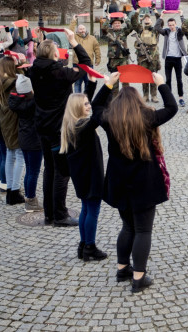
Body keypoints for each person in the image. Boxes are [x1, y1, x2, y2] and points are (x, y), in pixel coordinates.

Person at [101, 72, 178, 293]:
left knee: (128, 226)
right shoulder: (147, 117)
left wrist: (107, 85)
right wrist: (161, 84)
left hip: (119, 181)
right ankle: (138, 277)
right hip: (144, 182)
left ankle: (122, 269)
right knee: (143, 230)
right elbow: (172, 107)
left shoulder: (109, 119)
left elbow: (96, 107)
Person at [27, 28, 93, 227]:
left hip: (42, 126)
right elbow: (86, 64)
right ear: (54, 54)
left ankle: (49, 214)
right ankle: (60, 215)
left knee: (49, 169)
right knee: (62, 172)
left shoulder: (33, 70)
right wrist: (73, 42)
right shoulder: (61, 73)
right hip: (58, 129)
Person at [60, 75, 112, 262]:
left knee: (86, 208)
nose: (89, 106)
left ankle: (83, 244)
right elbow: (97, 111)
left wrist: (91, 83)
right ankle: (89, 246)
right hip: (90, 174)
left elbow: (88, 102)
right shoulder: (83, 127)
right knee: (93, 211)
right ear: (77, 108)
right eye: (85, 105)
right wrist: (108, 86)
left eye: (88, 103)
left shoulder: (72, 124)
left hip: (81, 174)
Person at [0, 57, 26, 206]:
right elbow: (24, 81)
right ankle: (14, 190)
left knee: (9, 153)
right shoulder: (12, 82)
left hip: (2, 118)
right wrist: (21, 66)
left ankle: (10, 189)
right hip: (12, 119)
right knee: (19, 155)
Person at [8, 74, 44, 212]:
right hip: (34, 140)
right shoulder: (33, 103)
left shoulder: (17, 102)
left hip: (23, 137)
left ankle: (29, 198)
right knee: (33, 171)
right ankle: (31, 201)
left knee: (29, 170)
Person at [156, 11, 188, 107]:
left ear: (176, 24)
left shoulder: (180, 32)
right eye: (169, 25)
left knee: (179, 79)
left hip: (177, 59)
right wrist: (161, 16)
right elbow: (157, 27)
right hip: (168, 58)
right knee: (168, 80)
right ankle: (169, 99)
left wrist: (181, 15)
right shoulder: (166, 32)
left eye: (173, 25)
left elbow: (185, 26)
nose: (171, 27)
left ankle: (181, 98)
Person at [131, 10, 162, 103]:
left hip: (153, 56)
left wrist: (156, 11)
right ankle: (145, 95)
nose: (147, 19)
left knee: (153, 75)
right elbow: (133, 21)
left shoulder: (155, 29)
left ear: (152, 21)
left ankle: (154, 95)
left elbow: (160, 21)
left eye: (149, 18)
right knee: (144, 75)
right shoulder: (140, 30)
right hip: (142, 56)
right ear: (142, 20)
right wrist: (137, 11)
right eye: (145, 18)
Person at [69, 16, 101, 93]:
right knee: (77, 83)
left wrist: (98, 59)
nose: (82, 30)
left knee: (88, 82)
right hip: (77, 64)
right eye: (80, 29)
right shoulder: (75, 37)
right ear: (77, 30)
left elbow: (97, 49)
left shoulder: (92, 38)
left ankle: (87, 98)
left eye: (83, 29)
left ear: (86, 29)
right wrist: (74, 20)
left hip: (89, 64)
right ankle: (77, 98)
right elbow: (70, 31)